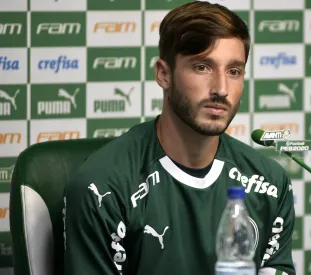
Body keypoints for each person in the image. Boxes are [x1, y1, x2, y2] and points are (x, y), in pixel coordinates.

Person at [63, 1, 296, 275]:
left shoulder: (270, 183)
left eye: (234, 71)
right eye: (202, 67)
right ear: (164, 74)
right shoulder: (102, 188)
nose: (221, 89)